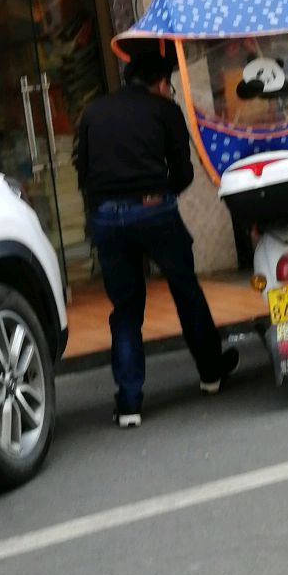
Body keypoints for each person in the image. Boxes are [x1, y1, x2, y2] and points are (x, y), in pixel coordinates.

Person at [73, 42, 239, 427]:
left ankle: (129, 403)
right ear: (160, 82)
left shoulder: (93, 112)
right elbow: (183, 173)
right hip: (154, 210)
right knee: (185, 290)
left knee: (126, 309)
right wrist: (158, 192)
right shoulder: (165, 110)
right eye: (169, 83)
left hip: (107, 216)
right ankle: (211, 373)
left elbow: (83, 172)